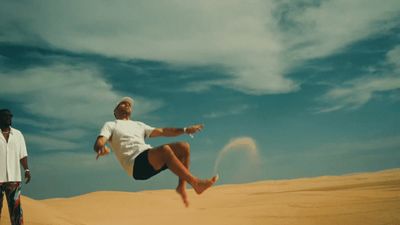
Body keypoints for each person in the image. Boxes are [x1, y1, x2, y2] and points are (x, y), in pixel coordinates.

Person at [93, 97, 218, 207]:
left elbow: (163, 131)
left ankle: (181, 186)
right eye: (123, 103)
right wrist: (100, 148)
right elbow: (100, 140)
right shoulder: (111, 125)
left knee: (184, 147)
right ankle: (196, 183)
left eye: (129, 104)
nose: (127, 105)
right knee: (164, 150)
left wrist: (185, 130)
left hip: (148, 156)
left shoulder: (138, 125)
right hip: (134, 165)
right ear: (115, 111)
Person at [0, 109, 31, 225]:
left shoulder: (18, 135)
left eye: (10, 116)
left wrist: (26, 169)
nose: (9, 118)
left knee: (16, 212)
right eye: (5, 116)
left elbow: (22, 154)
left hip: (14, 178)